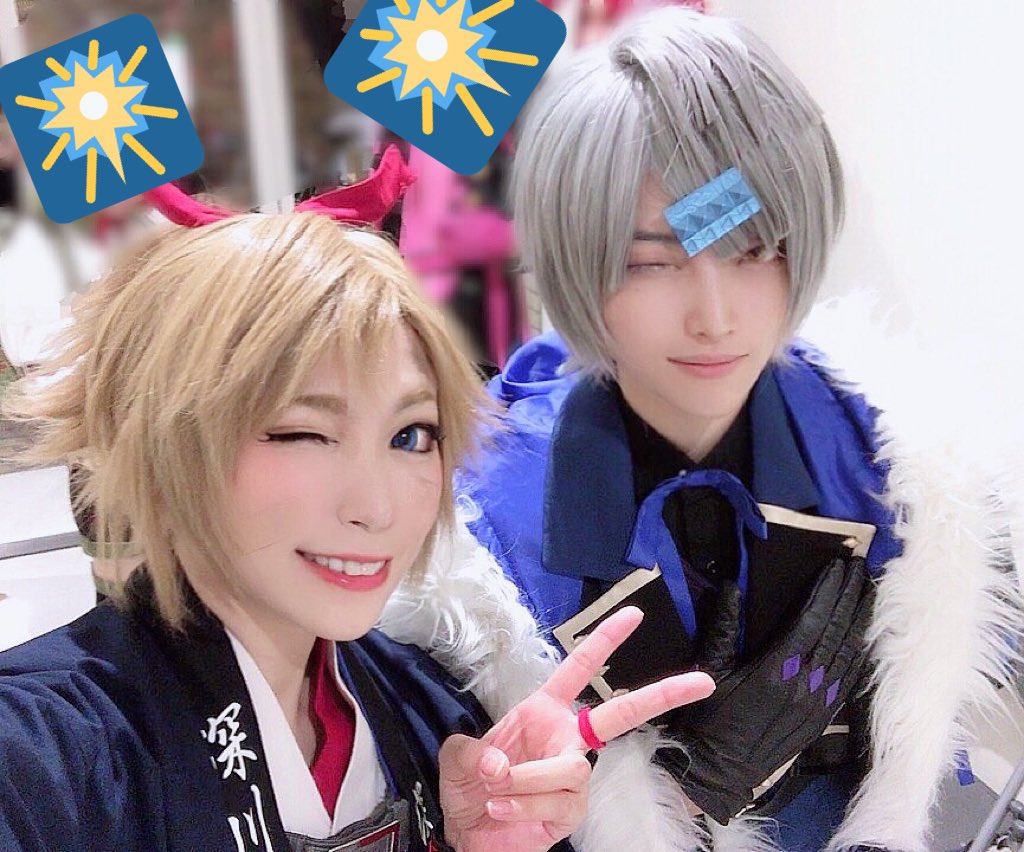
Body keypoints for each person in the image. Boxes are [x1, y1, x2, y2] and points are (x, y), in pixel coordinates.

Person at [386, 6, 1024, 851]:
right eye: (652, 263)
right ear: (576, 260)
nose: (716, 317)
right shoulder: (485, 543)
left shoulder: (895, 457)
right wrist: (678, 802)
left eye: (755, 250)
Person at [0, 210, 715, 851]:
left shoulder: (436, 713)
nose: (378, 507)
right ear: (162, 444)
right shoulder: (43, 755)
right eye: (304, 432)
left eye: (411, 435)